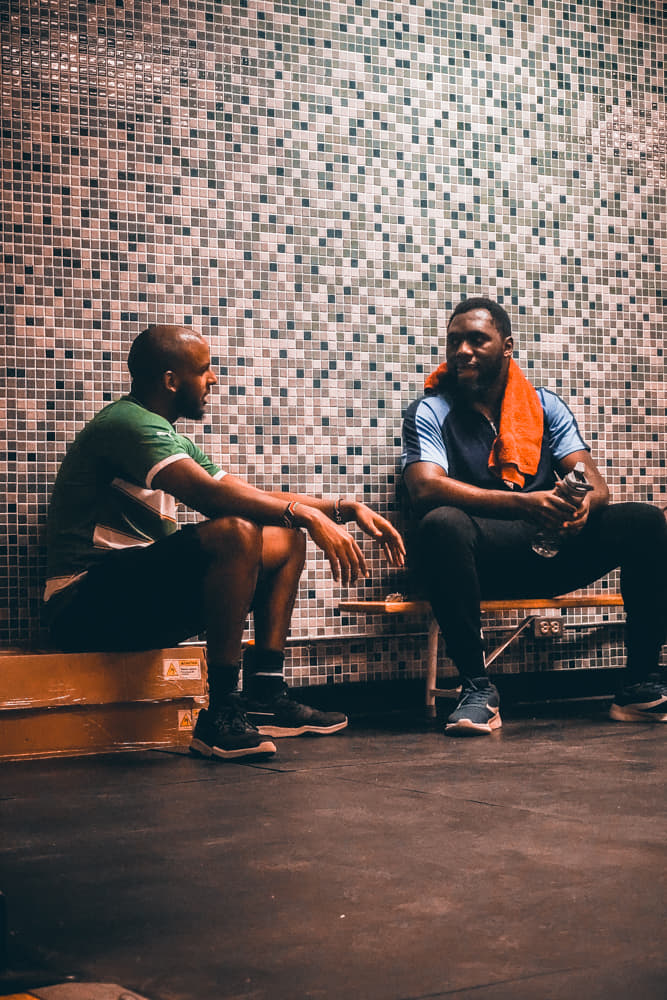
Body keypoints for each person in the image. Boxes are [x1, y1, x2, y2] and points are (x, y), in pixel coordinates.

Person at [44, 324, 406, 760]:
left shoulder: (166, 435)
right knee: (237, 531)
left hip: (132, 600)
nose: (213, 379)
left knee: (284, 539)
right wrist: (307, 515)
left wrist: (341, 508)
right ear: (171, 379)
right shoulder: (126, 425)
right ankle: (220, 713)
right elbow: (213, 499)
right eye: (204, 369)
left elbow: (249, 494)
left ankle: (265, 695)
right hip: (82, 604)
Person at [401, 296, 667, 736]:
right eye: (454, 341)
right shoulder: (431, 410)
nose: (462, 350)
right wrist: (527, 502)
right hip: (478, 563)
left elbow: (596, 484)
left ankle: (639, 684)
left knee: (644, 520)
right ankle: (476, 691)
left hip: (551, 552)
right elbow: (424, 487)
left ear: (507, 346)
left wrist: (581, 508)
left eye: (476, 340)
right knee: (440, 523)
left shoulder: (544, 406)